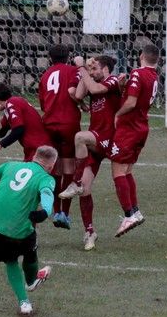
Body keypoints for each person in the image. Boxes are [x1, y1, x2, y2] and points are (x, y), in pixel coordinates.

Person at [0, 145, 57, 316]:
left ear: (34, 157)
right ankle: (32, 282)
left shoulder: (9, 165)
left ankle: (24, 303)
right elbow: (47, 194)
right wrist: (45, 212)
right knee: (30, 251)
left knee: (10, 261)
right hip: (19, 232)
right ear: (51, 166)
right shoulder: (46, 178)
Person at [59, 55, 124, 250]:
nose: (92, 73)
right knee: (85, 190)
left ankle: (75, 182)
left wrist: (81, 68)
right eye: (91, 70)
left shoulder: (112, 81)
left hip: (107, 137)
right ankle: (89, 232)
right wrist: (85, 71)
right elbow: (79, 95)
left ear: (105, 69)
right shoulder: (92, 80)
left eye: (95, 69)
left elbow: (95, 89)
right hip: (96, 139)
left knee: (80, 137)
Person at [109, 44, 160, 237]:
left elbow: (131, 102)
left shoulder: (138, 73)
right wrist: (124, 86)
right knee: (127, 170)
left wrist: (117, 113)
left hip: (129, 128)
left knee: (118, 171)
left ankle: (128, 215)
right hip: (141, 127)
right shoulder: (154, 76)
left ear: (141, 56)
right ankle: (135, 211)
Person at [37, 44, 82, 230]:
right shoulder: (72, 70)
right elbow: (75, 92)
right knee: (69, 166)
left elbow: (42, 104)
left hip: (49, 123)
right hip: (68, 123)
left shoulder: (45, 75)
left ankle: (55, 211)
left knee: (54, 168)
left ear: (50, 58)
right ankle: (65, 213)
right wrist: (81, 103)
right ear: (68, 57)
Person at [0, 83, 51, 162]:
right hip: (35, 149)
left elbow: (19, 130)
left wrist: (0, 144)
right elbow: (1, 132)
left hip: (39, 149)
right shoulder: (11, 105)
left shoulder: (12, 103)